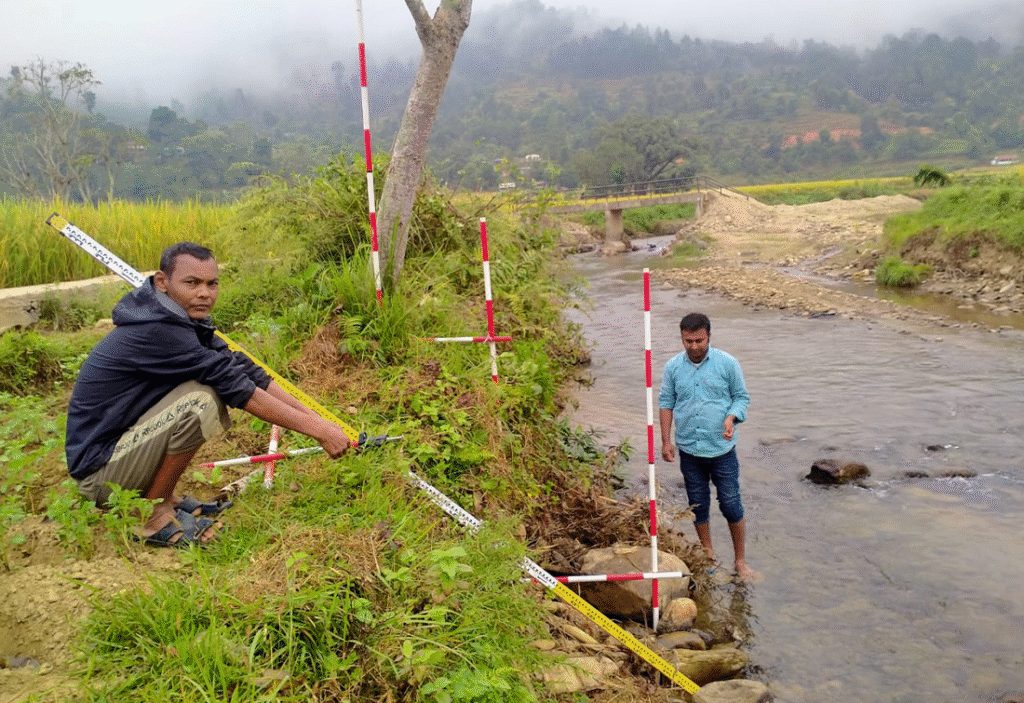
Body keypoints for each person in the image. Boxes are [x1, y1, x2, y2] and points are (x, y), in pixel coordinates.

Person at [65, 242, 352, 547]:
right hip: (101, 475)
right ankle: (153, 516)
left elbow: (245, 371)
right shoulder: (158, 330)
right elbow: (241, 391)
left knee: (204, 390)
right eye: (192, 283)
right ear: (162, 282)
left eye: (212, 284)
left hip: (122, 453)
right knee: (201, 401)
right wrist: (320, 431)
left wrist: (320, 420)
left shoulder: (178, 318)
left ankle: (164, 498)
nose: (204, 293)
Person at [659, 312, 758, 580]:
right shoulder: (673, 367)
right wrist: (666, 441)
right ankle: (708, 555)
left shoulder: (727, 363)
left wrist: (731, 417)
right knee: (697, 504)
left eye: (699, 341)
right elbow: (666, 403)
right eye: (688, 341)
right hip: (689, 450)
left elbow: (741, 398)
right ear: (682, 339)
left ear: (709, 337)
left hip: (722, 450)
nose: (693, 347)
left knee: (731, 504)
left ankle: (740, 561)